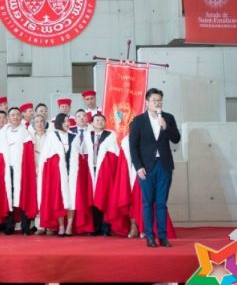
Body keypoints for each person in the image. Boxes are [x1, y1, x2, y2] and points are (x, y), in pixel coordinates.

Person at [129, 88, 181, 248]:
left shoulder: (168, 118)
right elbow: (133, 146)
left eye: (159, 100)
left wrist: (166, 127)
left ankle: (163, 237)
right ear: (147, 102)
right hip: (146, 167)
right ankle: (150, 236)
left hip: (164, 165)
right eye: (154, 100)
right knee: (147, 202)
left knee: (161, 203)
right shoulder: (138, 121)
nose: (157, 103)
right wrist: (138, 166)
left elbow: (176, 139)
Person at [70, 113, 119, 236]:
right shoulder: (87, 136)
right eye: (97, 120)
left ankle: (105, 227)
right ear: (91, 123)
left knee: (105, 197)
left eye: (102, 120)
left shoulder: (110, 135)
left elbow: (114, 154)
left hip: (104, 171)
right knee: (91, 198)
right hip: (90, 171)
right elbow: (82, 152)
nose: (99, 122)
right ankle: (94, 227)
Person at [0, 107, 37, 235]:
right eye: (12, 115)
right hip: (7, 170)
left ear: (21, 117)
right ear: (8, 117)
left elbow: (29, 154)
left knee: (24, 195)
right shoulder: (3, 133)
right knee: (8, 197)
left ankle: (25, 227)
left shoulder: (26, 133)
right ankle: (9, 226)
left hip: (22, 170)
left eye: (17, 114)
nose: (15, 117)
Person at [39, 113, 76, 237]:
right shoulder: (52, 136)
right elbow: (46, 155)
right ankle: (61, 226)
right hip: (58, 173)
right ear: (59, 122)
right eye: (65, 121)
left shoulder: (74, 136)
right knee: (59, 198)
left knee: (72, 198)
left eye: (68, 121)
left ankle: (69, 225)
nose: (67, 123)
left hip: (72, 172)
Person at [31, 114, 48, 235]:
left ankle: (50, 225)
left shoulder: (51, 136)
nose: (39, 124)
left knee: (48, 197)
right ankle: (40, 226)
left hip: (48, 171)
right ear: (33, 125)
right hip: (35, 172)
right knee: (38, 198)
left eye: (41, 121)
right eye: (36, 122)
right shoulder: (31, 138)